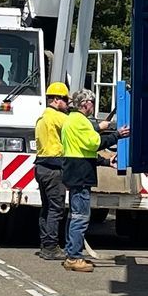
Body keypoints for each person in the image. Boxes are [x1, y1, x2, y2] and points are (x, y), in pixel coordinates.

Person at [58, 90, 104, 270]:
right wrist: (117, 135)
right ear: (85, 103)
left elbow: (85, 147)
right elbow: (94, 143)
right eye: (92, 102)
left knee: (74, 216)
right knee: (81, 217)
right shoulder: (81, 121)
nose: (93, 105)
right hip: (81, 174)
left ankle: (71, 253)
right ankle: (74, 257)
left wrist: (105, 161)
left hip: (73, 172)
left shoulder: (70, 119)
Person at [32, 78, 71, 260]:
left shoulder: (42, 117)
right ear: (56, 99)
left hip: (41, 167)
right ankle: (51, 247)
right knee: (56, 208)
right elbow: (78, 130)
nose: (67, 103)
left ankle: (44, 243)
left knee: (46, 208)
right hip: (54, 168)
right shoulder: (59, 117)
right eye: (65, 99)